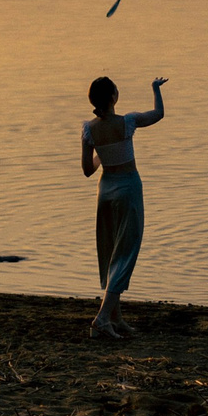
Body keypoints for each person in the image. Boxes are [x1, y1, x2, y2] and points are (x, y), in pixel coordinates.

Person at [80, 74, 166, 338]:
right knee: (125, 251)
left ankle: (115, 318)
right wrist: (155, 88)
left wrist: (103, 151)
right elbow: (158, 114)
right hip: (127, 188)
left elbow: (87, 170)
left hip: (105, 190)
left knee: (110, 250)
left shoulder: (89, 128)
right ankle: (103, 318)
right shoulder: (128, 121)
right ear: (113, 97)